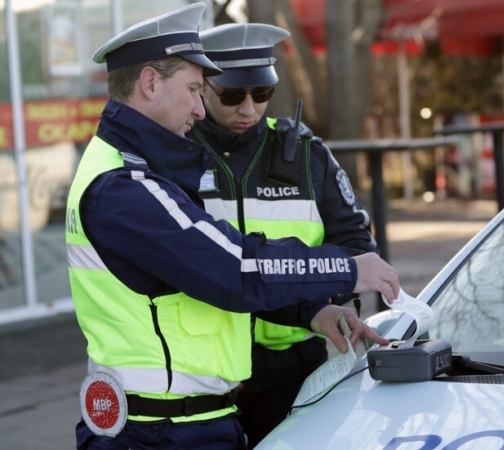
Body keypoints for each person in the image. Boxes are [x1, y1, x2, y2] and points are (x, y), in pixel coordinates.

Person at [66, 4, 398, 449]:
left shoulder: (139, 167)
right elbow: (234, 267)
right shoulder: (124, 185)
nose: (200, 109)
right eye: (193, 89)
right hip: (161, 430)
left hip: (180, 418)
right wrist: (347, 268)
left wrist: (313, 309)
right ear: (149, 83)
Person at [189, 23, 379, 446]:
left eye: (262, 93)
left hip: (297, 366)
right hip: (205, 370)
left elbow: (356, 244)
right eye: (233, 95)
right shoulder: (176, 154)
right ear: (201, 87)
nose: (249, 109)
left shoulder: (307, 154)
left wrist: (311, 300)